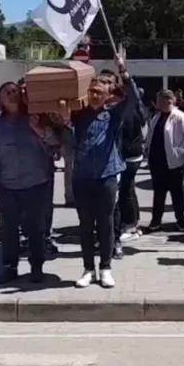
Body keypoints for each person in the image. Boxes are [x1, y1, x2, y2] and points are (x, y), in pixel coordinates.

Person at [0, 82, 59, 284]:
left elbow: (55, 142)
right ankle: (10, 267)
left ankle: (37, 267)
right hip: (6, 187)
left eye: (15, 91)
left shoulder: (36, 118)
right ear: (0, 99)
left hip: (37, 185)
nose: (12, 94)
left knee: (36, 228)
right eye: (7, 92)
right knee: (9, 229)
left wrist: (39, 129)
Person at [71, 58, 139, 289]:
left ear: (108, 95)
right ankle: (88, 269)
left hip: (106, 176)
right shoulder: (78, 114)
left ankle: (106, 268)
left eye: (99, 92)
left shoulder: (113, 115)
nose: (94, 95)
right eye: (91, 91)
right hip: (82, 177)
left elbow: (133, 97)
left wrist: (123, 71)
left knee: (106, 223)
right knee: (85, 225)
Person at [142, 89, 184, 233]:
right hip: (157, 161)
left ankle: (180, 221)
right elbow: (151, 134)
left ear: (169, 101)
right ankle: (156, 221)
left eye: (160, 100)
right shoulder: (157, 116)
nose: (157, 103)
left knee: (177, 193)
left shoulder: (180, 117)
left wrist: (180, 150)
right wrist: (146, 147)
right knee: (158, 194)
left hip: (174, 162)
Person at [113, 80, 146, 256]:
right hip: (134, 155)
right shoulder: (136, 109)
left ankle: (129, 225)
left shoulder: (124, 112)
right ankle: (132, 222)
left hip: (127, 156)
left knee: (125, 192)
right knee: (129, 190)